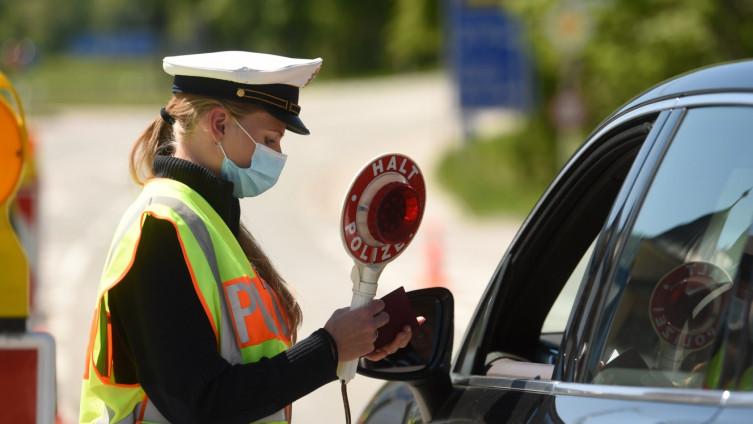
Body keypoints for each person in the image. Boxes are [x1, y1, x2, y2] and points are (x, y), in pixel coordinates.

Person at [79, 51, 414, 423]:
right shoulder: (162, 228)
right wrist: (328, 351)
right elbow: (201, 402)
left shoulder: (209, 221)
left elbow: (249, 368)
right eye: (270, 139)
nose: (278, 155)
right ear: (219, 124)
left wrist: (353, 346)